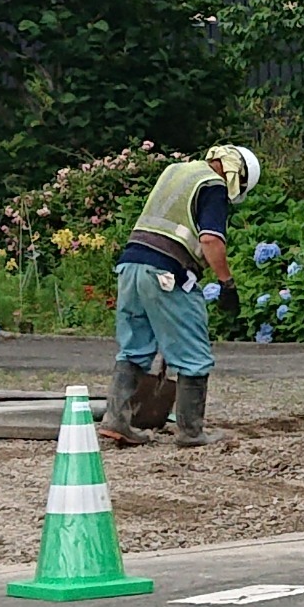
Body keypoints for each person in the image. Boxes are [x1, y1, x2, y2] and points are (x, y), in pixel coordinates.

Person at [97, 144, 260, 448]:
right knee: (193, 354)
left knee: (134, 349)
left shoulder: (175, 171)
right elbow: (210, 239)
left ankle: (116, 419)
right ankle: (191, 432)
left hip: (131, 266)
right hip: (166, 273)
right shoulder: (213, 184)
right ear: (237, 173)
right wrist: (227, 283)